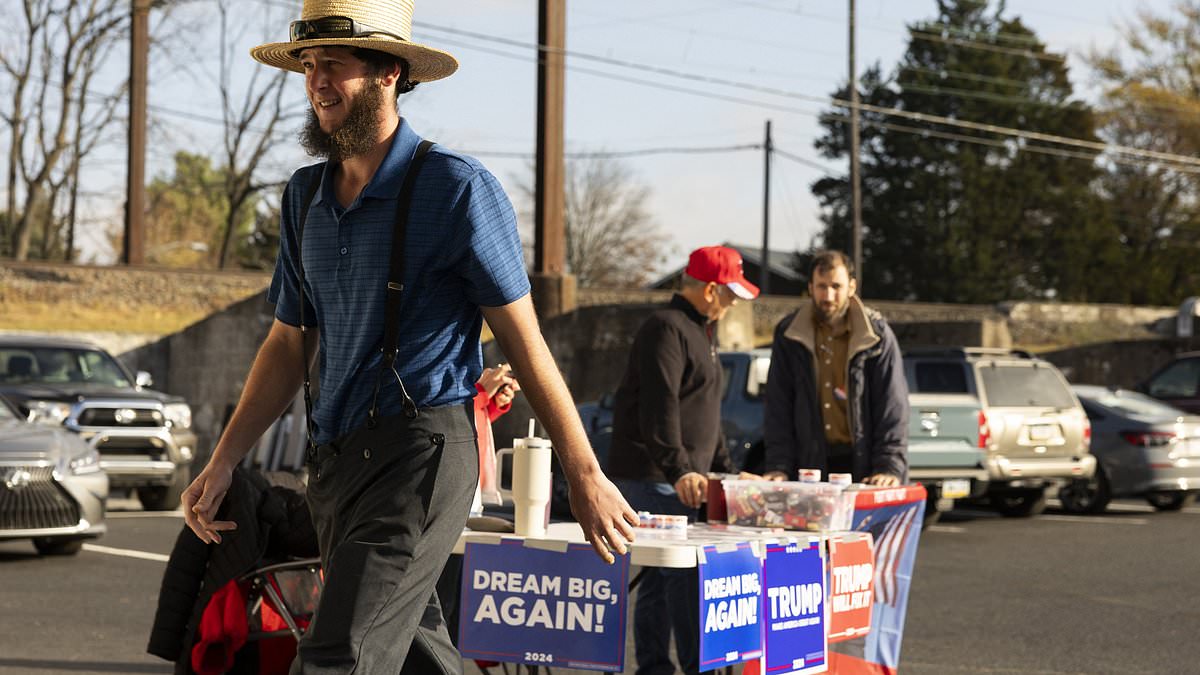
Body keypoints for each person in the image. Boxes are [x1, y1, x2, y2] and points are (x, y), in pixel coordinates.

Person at [179, 2, 637, 672]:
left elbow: (524, 341)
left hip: (420, 458)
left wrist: (584, 471)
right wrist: (222, 461)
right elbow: (286, 344)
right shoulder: (303, 198)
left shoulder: (457, 190)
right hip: (334, 466)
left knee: (339, 655)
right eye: (308, 66)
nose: (316, 81)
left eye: (334, 64)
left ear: (389, 72)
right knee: (419, 655)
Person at [604, 245, 759, 675]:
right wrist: (681, 470)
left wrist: (725, 470)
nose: (732, 306)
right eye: (730, 296)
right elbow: (660, 407)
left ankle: (656, 667)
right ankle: (692, 669)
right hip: (654, 476)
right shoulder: (666, 328)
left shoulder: (700, 331)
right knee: (682, 576)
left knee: (659, 580)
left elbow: (706, 416)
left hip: (676, 475)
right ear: (710, 290)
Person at [763, 249, 908, 486]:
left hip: (865, 467)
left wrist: (889, 467)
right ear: (810, 287)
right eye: (821, 286)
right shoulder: (789, 334)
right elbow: (778, 406)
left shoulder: (877, 336)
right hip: (809, 468)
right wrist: (779, 466)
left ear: (852, 287)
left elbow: (892, 406)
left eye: (836, 286)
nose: (828, 296)